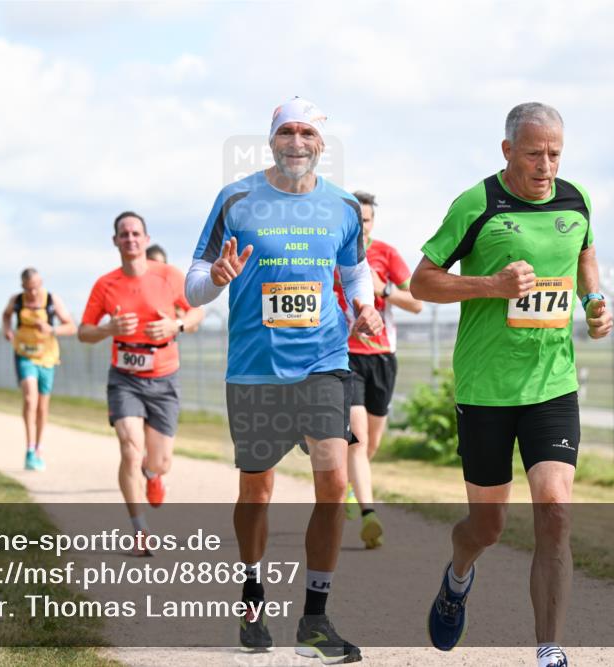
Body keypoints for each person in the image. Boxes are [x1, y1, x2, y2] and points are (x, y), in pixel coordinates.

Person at [411, 103, 613, 667]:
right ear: (507, 151)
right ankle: (458, 577)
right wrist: (491, 285)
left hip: (552, 384)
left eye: (554, 154)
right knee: (487, 526)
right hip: (486, 390)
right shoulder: (476, 204)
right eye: (533, 154)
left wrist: (595, 300)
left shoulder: (576, 199)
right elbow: (422, 282)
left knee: (555, 510)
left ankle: (549, 648)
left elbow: (584, 256)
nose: (545, 166)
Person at [185, 97, 382, 663]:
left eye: (307, 133)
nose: (297, 142)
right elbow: (193, 284)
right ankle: (252, 597)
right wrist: (216, 277)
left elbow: (354, 271)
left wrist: (364, 305)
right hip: (256, 369)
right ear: (271, 139)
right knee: (257, 491)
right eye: (287, 132)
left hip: (324, 360)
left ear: (321, 143)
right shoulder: (236, 198)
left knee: (334, 482)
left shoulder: (342, 205)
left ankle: (314, 620)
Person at [79, 212, 204, 551]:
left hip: (164, 376)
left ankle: (153, 474)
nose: (130, 239)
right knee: (130, 449)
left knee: (159, 461)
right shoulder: (105, 284)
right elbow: (84, 332)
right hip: (125, 378)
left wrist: (175, 326)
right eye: (124, 234)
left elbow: (197, 312)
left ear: (146, 239)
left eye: (136, 233)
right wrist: (108, 328)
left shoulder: (168, 276)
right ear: (115, 241)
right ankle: (139, 529)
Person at [333, 190, 423, 549]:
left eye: (366, 221)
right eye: (355, 221)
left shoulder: (386, 253)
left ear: (373, 222)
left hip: (383, 357)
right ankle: (370, 515)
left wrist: (383, 288)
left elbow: (416, 303)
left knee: (371, 444)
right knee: (358, 439)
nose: (361, 227)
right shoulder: (331, 254)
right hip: (345, 356)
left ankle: (350, 487)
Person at [2, 268, 76, 471]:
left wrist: (52, 329)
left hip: (47, 357)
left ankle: (39, 447)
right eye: (28, 288)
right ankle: (29, 448)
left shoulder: (52, 300)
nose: (32, 292)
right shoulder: (16, 300)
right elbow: (6, 315)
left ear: (41, 283)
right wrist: (7, 330)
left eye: (36, 287)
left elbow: (71, 326)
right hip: (24, 355)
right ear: (22, 286)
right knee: (30, 399)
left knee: (42, 407)